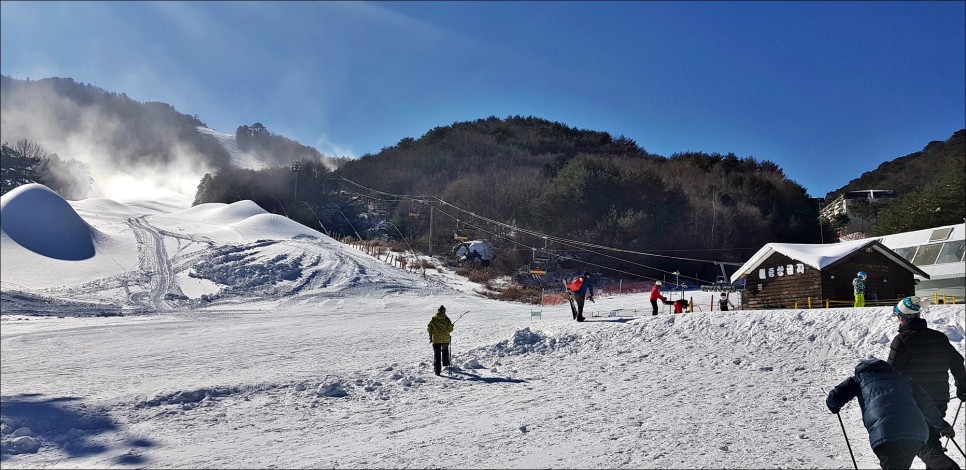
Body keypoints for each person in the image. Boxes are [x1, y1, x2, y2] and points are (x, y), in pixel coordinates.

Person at [826, 358, 955, 470]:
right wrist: (944, 427)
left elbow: (835, 397)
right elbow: (927, 406)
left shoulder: (859, 379)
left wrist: (833, 406)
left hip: (887, 435)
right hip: (917, 434)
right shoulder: (905, 380)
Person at [887, 296, 966, 470]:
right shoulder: (939, 337)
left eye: (897, 316)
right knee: (930, 440)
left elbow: (890, 374)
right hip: (939, 402)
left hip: (914, 403)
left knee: (924, 445)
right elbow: (957, 362)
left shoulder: (902, 341)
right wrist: (962, 387)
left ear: (903, 317)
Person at [427, 305, 454, 376]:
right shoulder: (447, 319)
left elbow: (429, 328)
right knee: (445, 351)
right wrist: (451, 326)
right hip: (445, 339)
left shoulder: (433, 319)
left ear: (438, 311)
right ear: (444, 311)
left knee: (437, 355)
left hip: (436, 340)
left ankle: (437, 371)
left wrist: (430, 336)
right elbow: (450, 329)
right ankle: (445, 365)